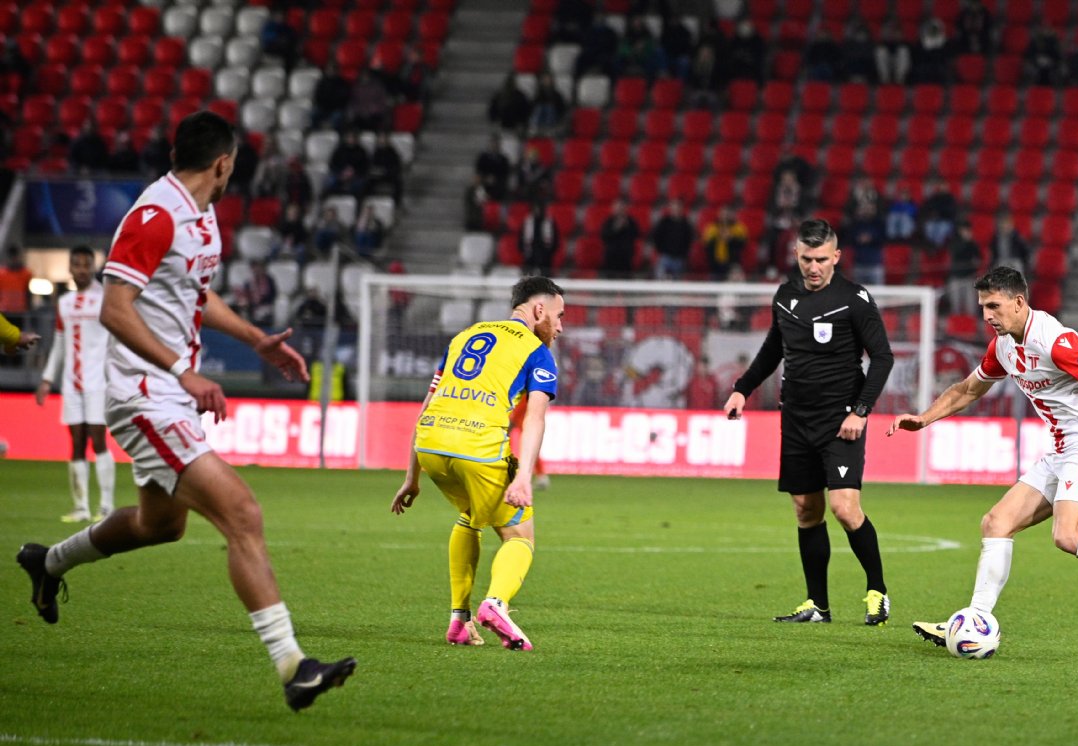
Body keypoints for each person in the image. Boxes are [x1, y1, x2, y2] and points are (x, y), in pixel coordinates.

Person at [15, 111, 355, 711]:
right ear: (222, 164)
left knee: (160, 525)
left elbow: (194, 295)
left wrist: (255, 338)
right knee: (242, 512)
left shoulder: (201, 216)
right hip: (144, 394)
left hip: (166, 392)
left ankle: (49, 562)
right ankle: (293, 667)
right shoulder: (155, 215)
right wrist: (183, 370)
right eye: (233, 167)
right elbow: (115, 308)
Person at [889, 266, 1078, 647]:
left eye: (994, 306)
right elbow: (968, 390)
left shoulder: (1055, 341)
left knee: (1068, 536)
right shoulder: (1003, 346)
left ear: (1019, 302)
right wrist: (924, 418)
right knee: (996, 523)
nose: (987, 315)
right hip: (1062, 449)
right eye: (983, 307)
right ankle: (975, 621)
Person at [723, 219, 895, 627]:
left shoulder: (854, 298)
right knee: (806, 510)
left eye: (820, 259)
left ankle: (877, 592)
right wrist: (742, 389)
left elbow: (882, 357)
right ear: (796, 256)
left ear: (836, 257)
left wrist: (861, 411)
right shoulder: (786, 296)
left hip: (841, 421)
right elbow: (773, 349)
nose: (813, 267)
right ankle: (817, 604)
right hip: (796, 419)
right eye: (806, 259)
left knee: (844, 508)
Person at [389, 276, 564, 650]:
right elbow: (535, 419)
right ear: (539, 310)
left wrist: (412, 476)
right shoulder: (537, 352)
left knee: (470, 515)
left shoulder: (465, 336)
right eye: (559, 315)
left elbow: (428, 403)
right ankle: (496, 603)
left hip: (431, 445)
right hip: (478, 446)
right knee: (520, 535)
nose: (560, 327)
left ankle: (459, 621)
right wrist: (524, 477)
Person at [34, 246, 115, 522]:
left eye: (86, 265)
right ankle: (81, 507)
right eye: (77, 265)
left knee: (98, 440)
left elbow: (116, 339)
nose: (81, 269)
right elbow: (59, 343)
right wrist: (47, 378)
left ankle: (106, 506)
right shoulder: (65, 303)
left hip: (98, 381)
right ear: (69, 268)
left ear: (93, 267)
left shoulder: (104, 299)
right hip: (72, 383)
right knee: (76, 442)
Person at [650, 198, 693, 280]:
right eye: (674, 207)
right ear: (670, 208)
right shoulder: (664, 222)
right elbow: (656, 236)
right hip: (665, 257)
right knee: (660, 280)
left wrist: (683, 253)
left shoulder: (686, 224)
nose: (676, 209)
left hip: (679, 259)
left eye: (678, 207)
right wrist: (661, 250)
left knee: (677, 282)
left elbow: (688, 240)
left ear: (681, 208)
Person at [599, 199, 641, 275]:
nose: (619, 210)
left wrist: (627, 226)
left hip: (626, 256)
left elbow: (637, 235)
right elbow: (604, 236)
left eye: (621, 208)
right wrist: (616, 228)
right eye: (618, 208)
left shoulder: (631, 222)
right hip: (611, 256)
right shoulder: (609, 221)